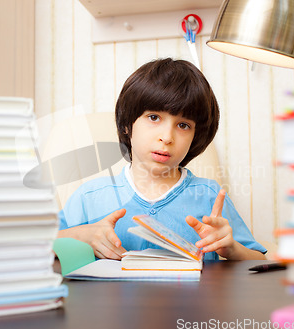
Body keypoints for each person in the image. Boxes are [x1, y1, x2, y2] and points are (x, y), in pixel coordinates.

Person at [57, 58, 267, 261]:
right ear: (127, 125)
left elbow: (258, 259)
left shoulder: (209, 196)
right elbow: (32, 247)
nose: (167, 137)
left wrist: (231, 249)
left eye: (183, 125)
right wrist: (78, 236)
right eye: (154, 117)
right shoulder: (89, 197)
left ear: (196, 137)